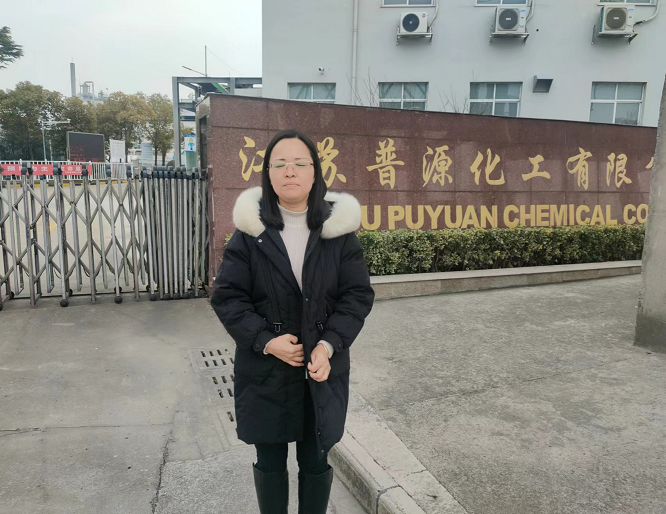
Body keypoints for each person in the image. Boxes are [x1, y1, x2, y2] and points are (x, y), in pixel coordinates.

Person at [211, 129, 375, 514]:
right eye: (280, 164)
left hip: (321, 371)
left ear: (315, 172)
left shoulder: (338, 232)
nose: (290, 171)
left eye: (300, 163)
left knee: (315, 461)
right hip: (265, 371)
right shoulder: (251, 232)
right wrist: (266, 341)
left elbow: (356, 296)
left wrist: (328, 344)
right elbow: (228, 296)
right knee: (269, 462)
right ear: (268, 174)